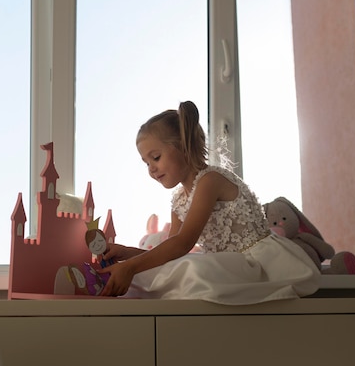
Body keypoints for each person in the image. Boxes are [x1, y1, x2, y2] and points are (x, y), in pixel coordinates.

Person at [97, 100, 320, 304]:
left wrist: (131, 267)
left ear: (184, 147)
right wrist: (127, 254)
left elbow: (183, 243)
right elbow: (171, 252)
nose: (151, 169)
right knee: (168, 270)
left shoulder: (209, 181)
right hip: (229, 265)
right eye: (146, 163)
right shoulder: (178, 201)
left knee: (195, 271)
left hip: (259, 264)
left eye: (156, 158)